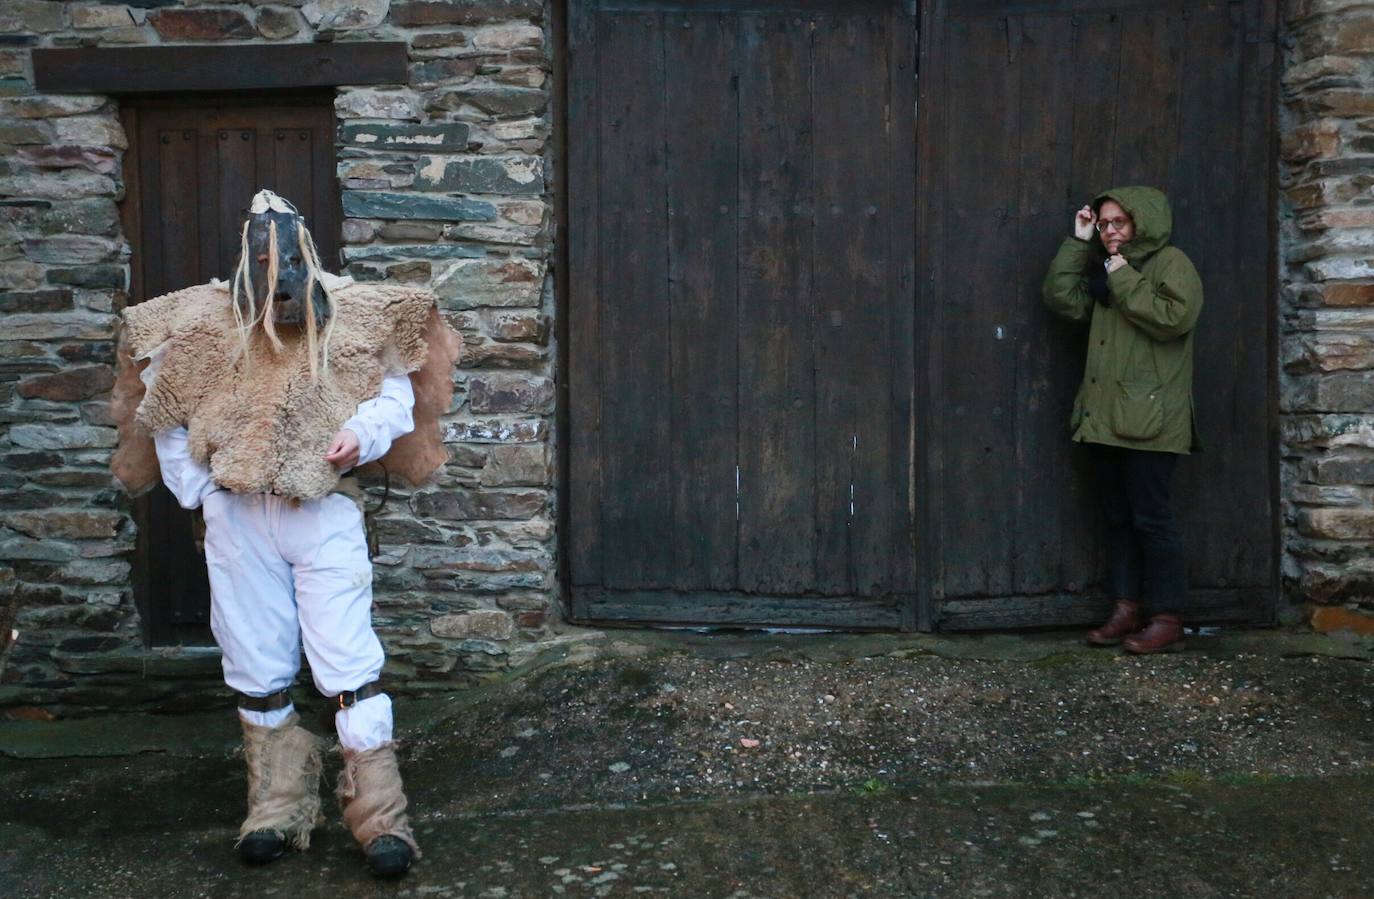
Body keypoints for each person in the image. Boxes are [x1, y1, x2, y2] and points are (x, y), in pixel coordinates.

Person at [111, 190, 461, 877]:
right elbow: (169, 409)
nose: (276, 270)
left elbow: (392, 391)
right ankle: (276, 805)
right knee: (254, 658)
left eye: (285, 254)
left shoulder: (354, 314)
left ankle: (380, 816)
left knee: (347, 659)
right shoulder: (203, 324)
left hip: (322, 511)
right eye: (263, 255)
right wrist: (202, 489)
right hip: (239, 516)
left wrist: (358, 436)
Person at [1041, 186, 1203, 654]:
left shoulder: (1172, 264)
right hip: (1107, 414)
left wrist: (1120, 273)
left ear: (1143, 224)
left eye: (1120, 223)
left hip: (1154, 417)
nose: (1110, 232)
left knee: (1153, 520)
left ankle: (1168, 617)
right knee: (1119, 519)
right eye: (1105, 224)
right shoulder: (1110, 269)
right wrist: (1078, 242)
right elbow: (1062, 298)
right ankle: (1126, 609)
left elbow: (1173, 318)